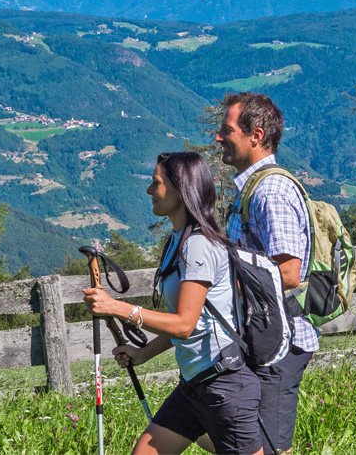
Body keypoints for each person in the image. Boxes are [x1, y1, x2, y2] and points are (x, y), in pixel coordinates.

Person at [84, 152, 263, 455]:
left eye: (156, 184)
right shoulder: (178, 241)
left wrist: (117, 308)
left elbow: (183, 325)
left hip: (225, 388)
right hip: (195, 386)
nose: (149, 191)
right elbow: (191, 324)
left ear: (181, 191)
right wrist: (143, 354)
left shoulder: (198, 245)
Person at [216, 92, 314, 454]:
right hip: (263, 341)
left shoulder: (270, 191)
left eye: (226, 130)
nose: (218, 137)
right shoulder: (254, 189)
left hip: (279, 346)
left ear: (255, 136)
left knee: (268, 449)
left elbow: (288, 272)